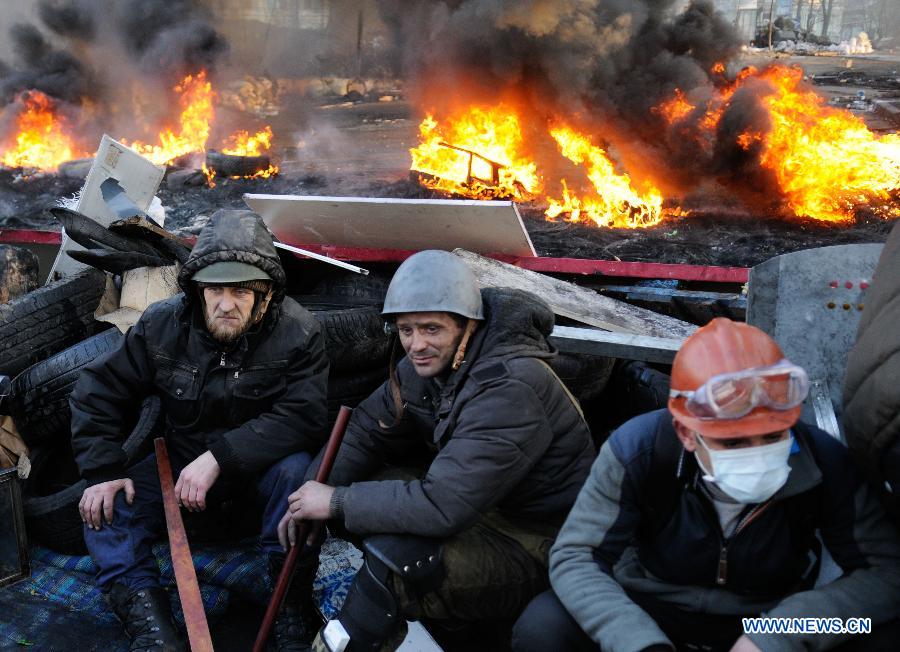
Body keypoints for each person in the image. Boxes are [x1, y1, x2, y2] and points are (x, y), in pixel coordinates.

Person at [512, 317, 900, 652]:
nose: (757, 453)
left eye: (771, 436)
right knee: (545, 625)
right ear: (686, 432)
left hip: (768, 618)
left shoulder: (824, 460)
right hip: (651, 609)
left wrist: (779, 634)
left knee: (879, 632)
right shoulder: (639, 450)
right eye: (732, 442)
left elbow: (885, 574)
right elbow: (575, 557)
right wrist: (635, 640)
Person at [277, 249, 595, 650]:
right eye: (406, 330)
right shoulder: (435, 363)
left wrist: (336, 500)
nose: (416, 344)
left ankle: (342, 643)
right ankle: (451, 624)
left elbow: (443, 506)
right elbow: (364, 430)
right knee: (359, 493)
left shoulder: (511, 387)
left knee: (396, 567)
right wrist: (311, 493)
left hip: (542, 542)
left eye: (431, 328)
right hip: (483, 507)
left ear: (468, 326)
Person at [70, 209, 329, 652]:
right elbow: (98, 390)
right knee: (103, 506)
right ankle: (153, 629)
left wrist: (219, 458)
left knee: (297, 474)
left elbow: (304, 416)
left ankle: (289, 606)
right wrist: (102, 471)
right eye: (216, 289)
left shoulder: (300, 333)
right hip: (179, 479)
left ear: (265, 295)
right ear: (197, 290)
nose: (227, 304)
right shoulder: (161, 325)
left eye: (242, 291)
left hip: (255, 485)